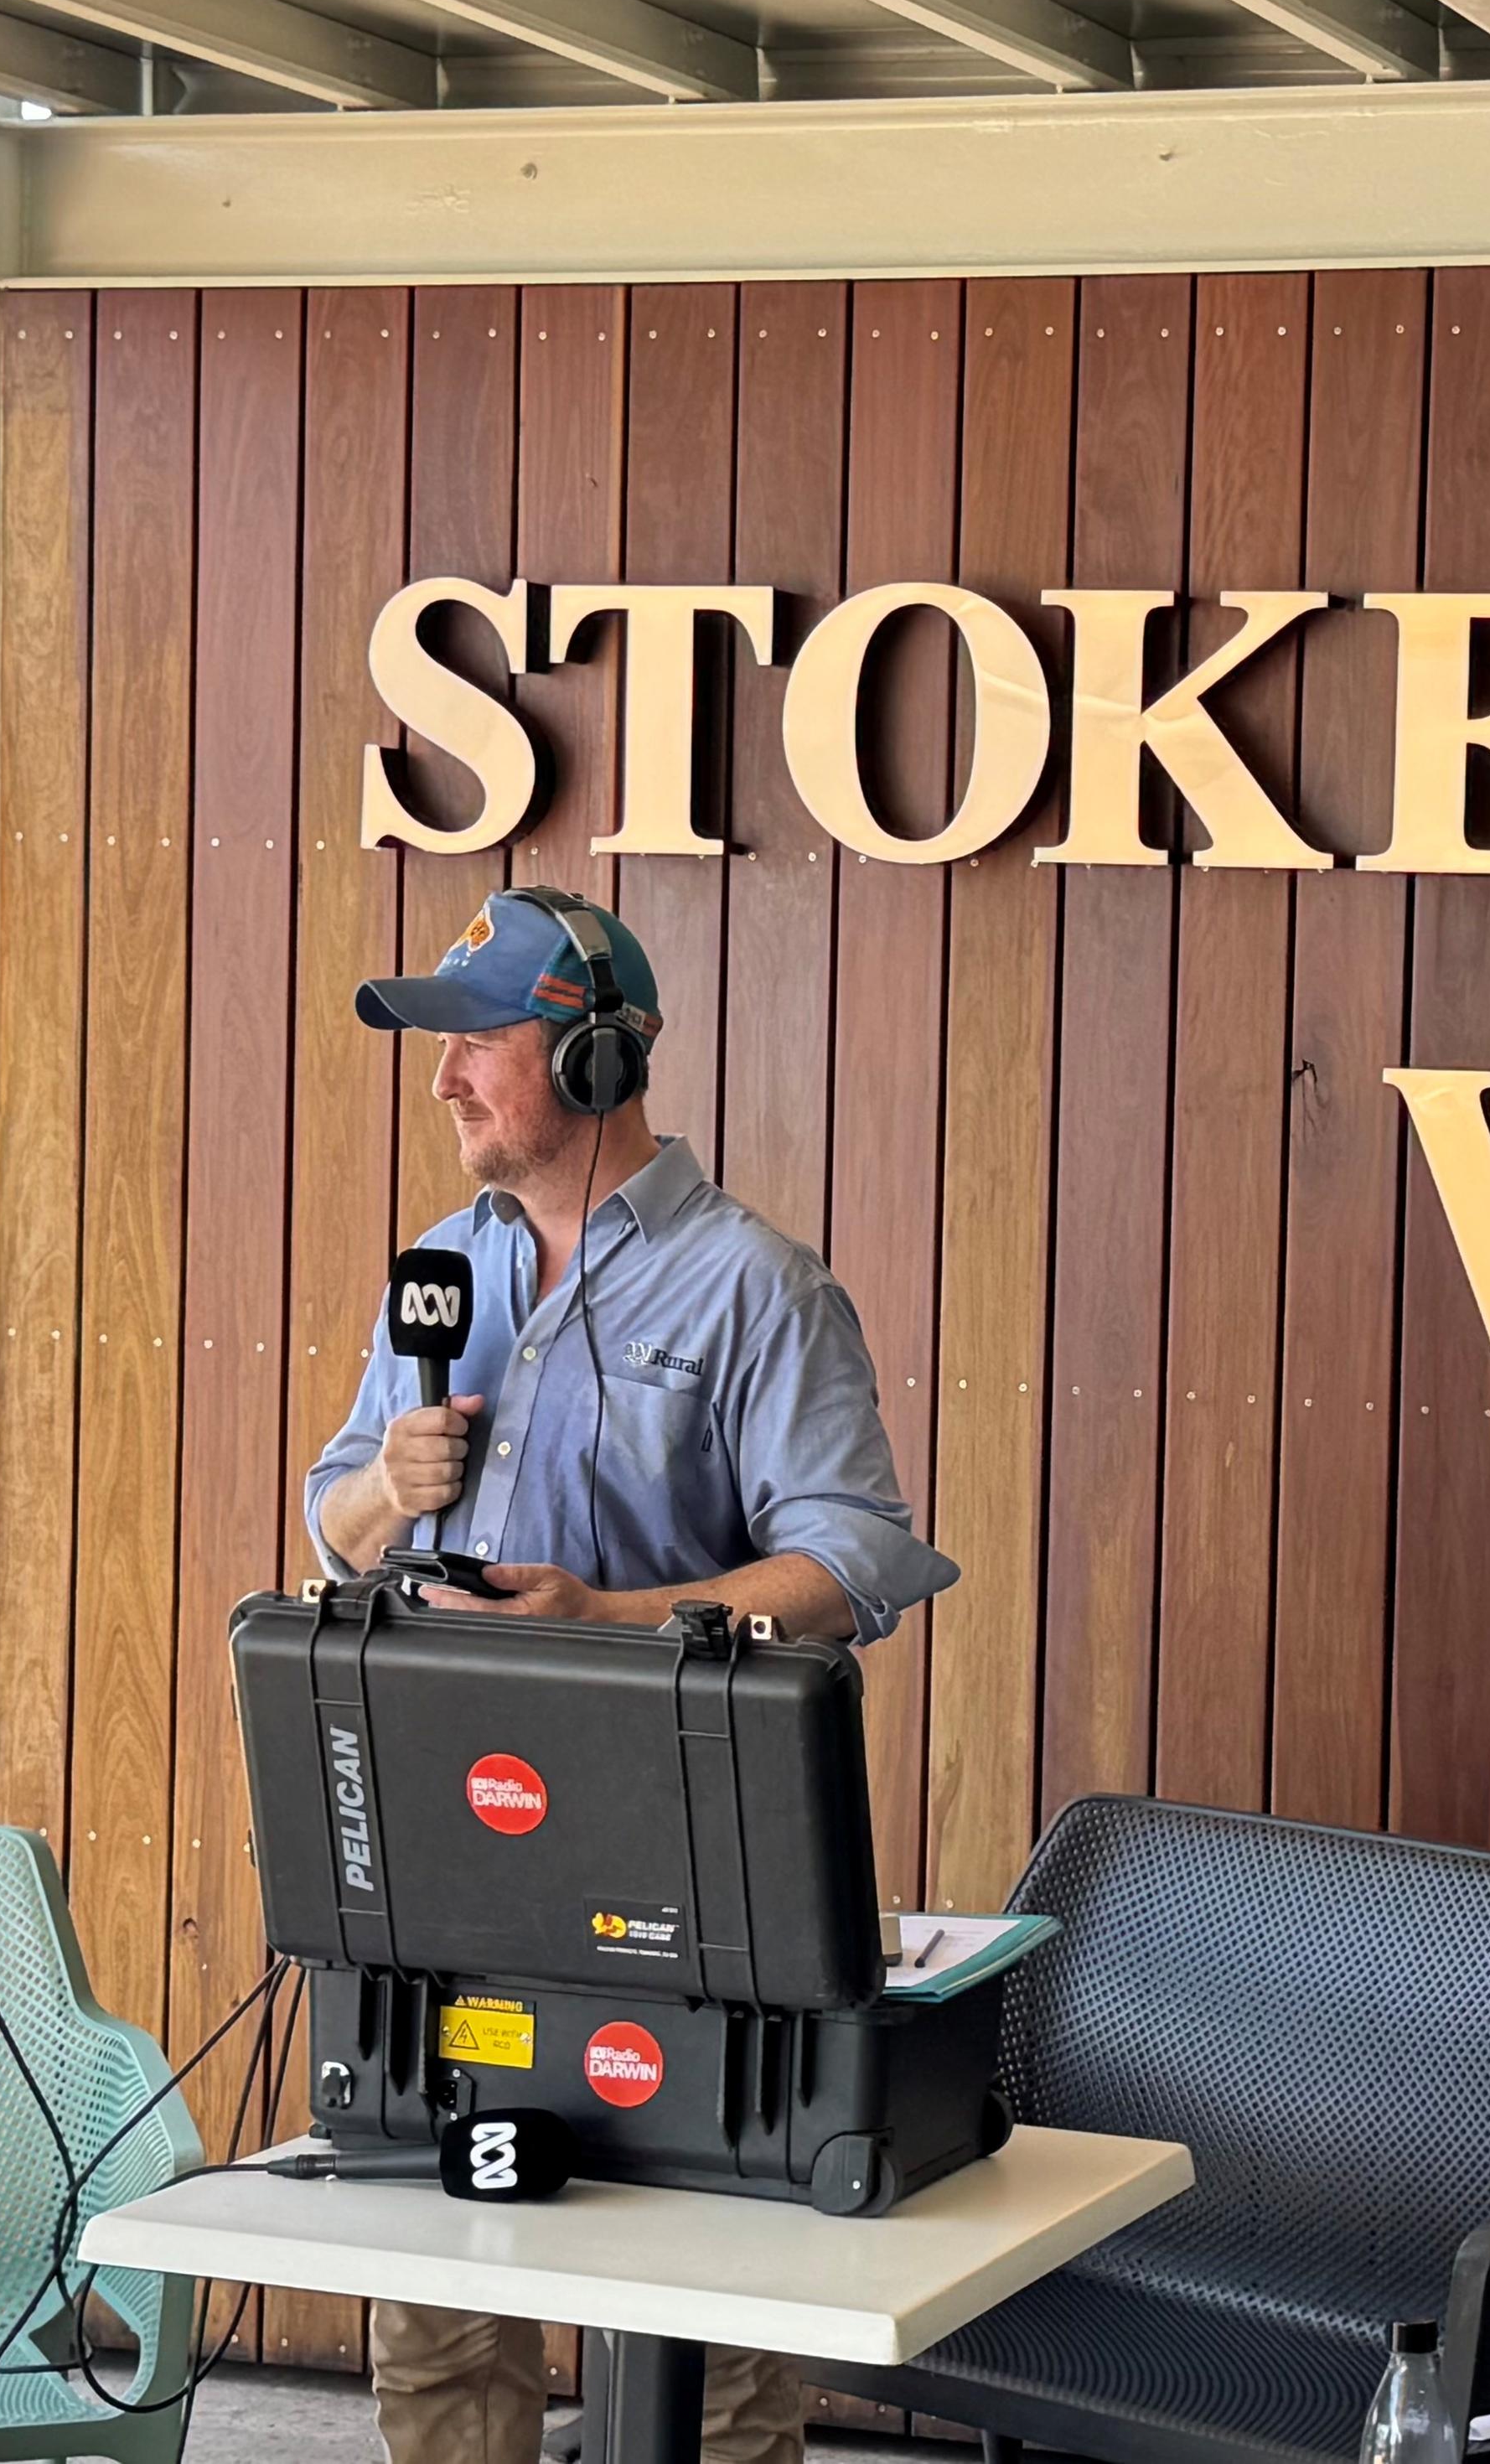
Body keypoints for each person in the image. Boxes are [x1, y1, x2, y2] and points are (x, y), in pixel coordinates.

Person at [305, 887, 956, 2464]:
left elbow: (851, 1564)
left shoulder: (756, 1286)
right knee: (443, 2295)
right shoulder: (439, 1269)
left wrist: (609, 1617)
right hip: (460, 1858)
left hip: (691, 1876)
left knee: (708, 2315)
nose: (444, 1079)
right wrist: (388, 1484)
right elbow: (335, 1525)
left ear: (596, 1055)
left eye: (477, 1041)